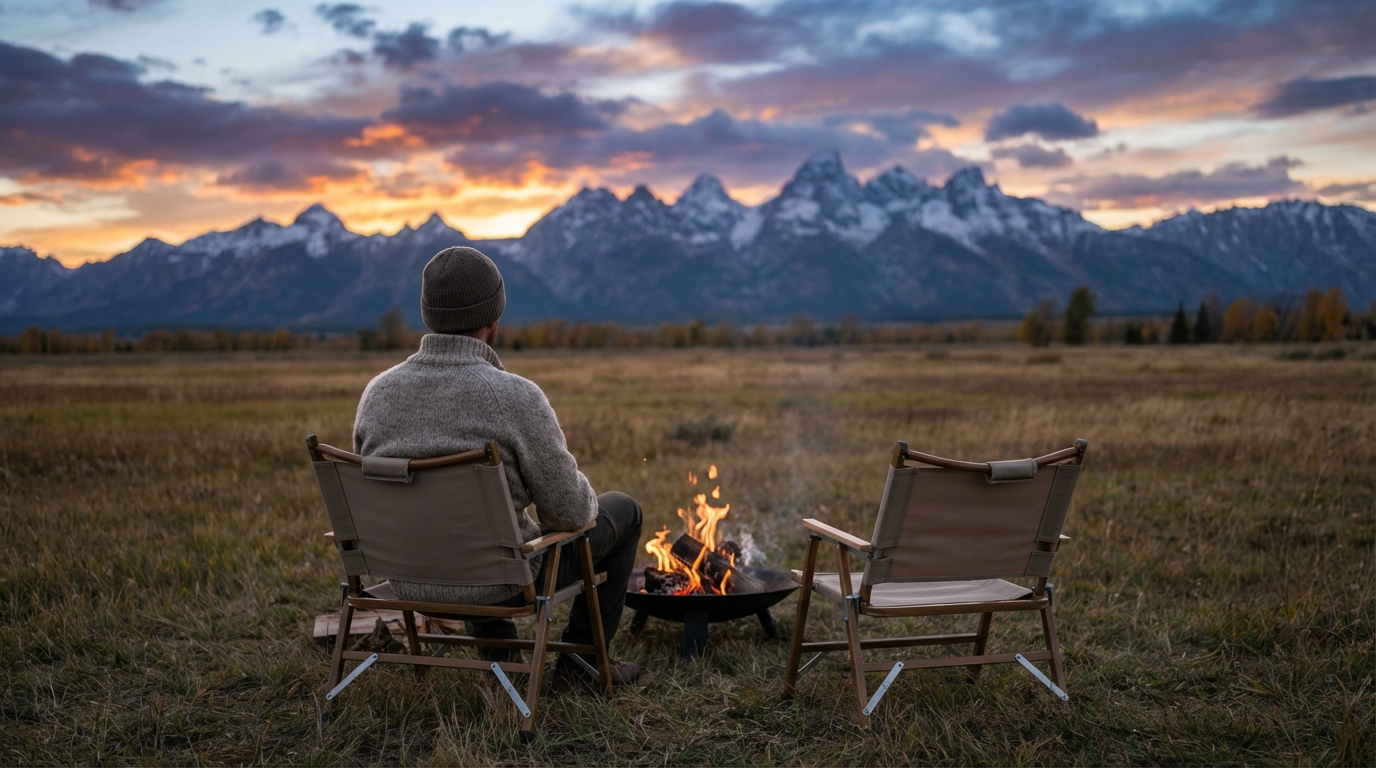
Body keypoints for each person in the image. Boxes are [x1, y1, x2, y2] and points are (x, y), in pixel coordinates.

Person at [352, 246, 643, 684]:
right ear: (494, 318)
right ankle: (583, 666)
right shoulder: (514, 396)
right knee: (623, 510)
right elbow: (571, 514)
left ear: (428, 314)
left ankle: (504, 666)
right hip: (496, 581)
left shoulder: (376, 394)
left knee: (472, 537)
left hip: (408, 579)